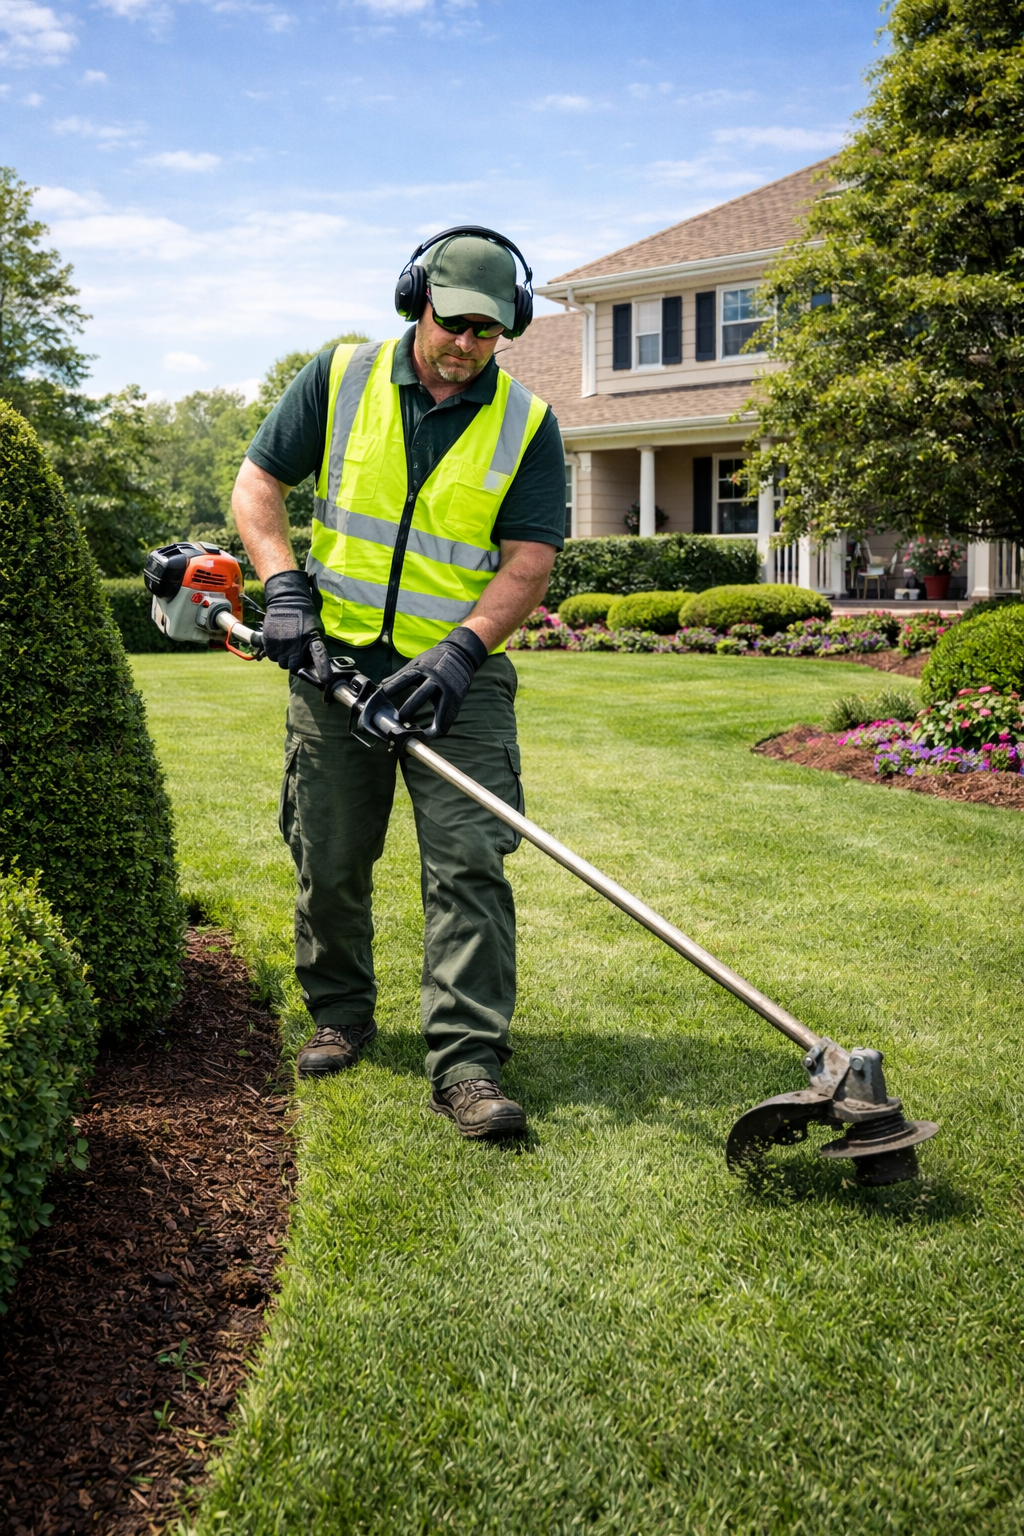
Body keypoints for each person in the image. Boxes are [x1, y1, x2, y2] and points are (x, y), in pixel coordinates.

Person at [231, 228, 567, 1139]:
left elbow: (529, 560)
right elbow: (258, 485)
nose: (465, 344)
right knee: (330, 854)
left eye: (488, 332)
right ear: (416, 299)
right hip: (332, 661)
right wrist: (284, 588)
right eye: (452, 322)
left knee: (469, 864)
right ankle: (340, 1012)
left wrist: (464, 650)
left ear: (510, 328)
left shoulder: (529, 424)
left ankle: (466, 1061)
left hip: (457, 678)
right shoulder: (339, 378)